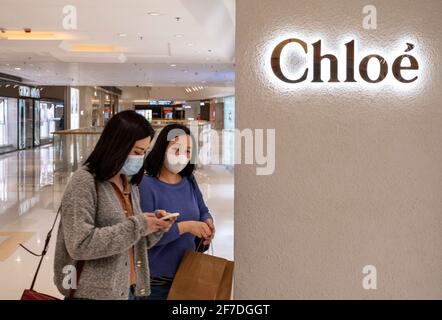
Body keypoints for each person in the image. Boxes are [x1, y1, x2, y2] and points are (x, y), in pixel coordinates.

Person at [53, 110, 176, 300]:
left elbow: (133, 239)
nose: (140, 158)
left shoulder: (128, 181)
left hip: (129, 289)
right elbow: (79, 245)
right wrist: (139, 225)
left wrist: (155, 226)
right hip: (93, 294)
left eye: (144, 152)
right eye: (137, 152)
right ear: (118, 146)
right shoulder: (84, 182)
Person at [139, 124, 215, 300]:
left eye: (188, 151)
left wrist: (207, 222)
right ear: (162, 148)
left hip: (188, 273)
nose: (182, 156)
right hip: (156, 282)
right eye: (176, 149)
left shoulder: (189, 180)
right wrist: (186, 227)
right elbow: (146, 237)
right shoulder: (145, 184)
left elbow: (202, 209)